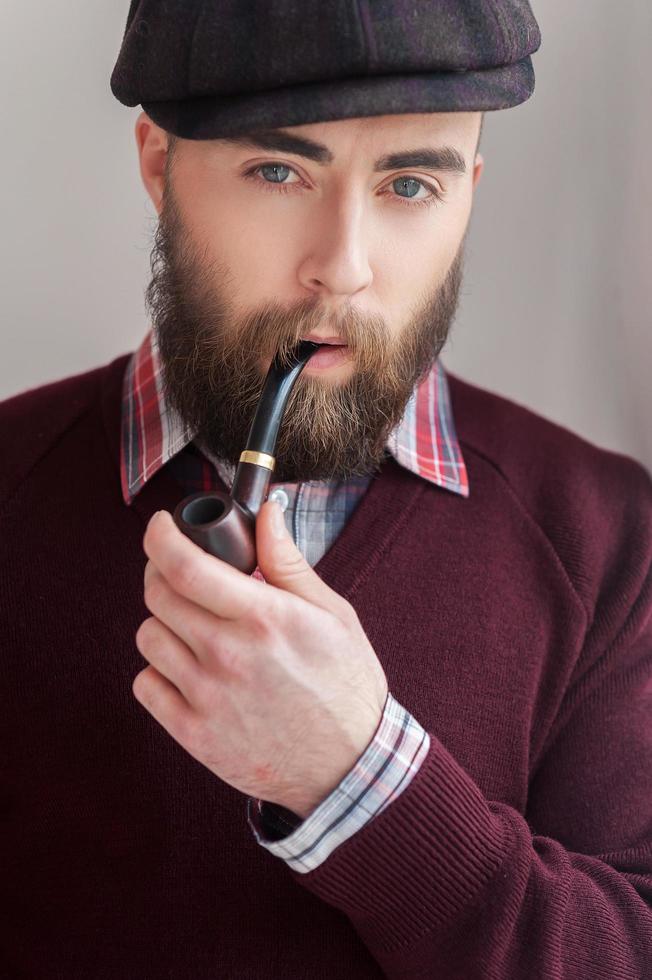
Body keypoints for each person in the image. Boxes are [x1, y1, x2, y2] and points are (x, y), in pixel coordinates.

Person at [1, 1, 650, 977]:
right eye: (278, 170)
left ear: (468, 190)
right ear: (157, 162)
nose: (341, 269)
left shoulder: (608, 537)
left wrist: (356, 775)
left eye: (409, 182)